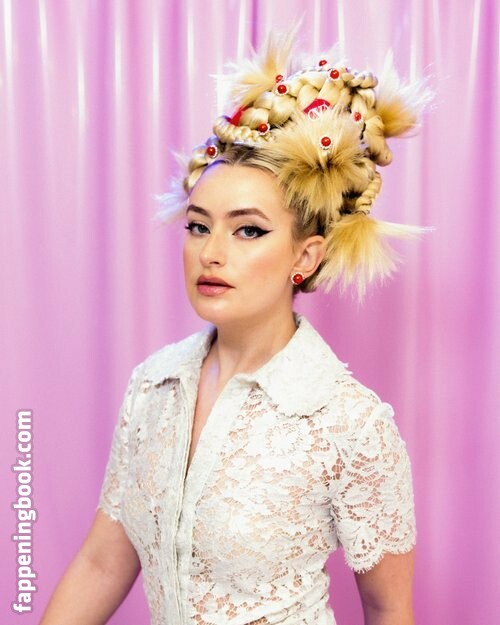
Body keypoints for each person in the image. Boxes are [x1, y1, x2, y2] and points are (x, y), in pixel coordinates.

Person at [39, 33, 432, 625]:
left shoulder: (351, 425)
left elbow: (388, 610)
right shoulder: (152, 387)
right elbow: (101, 563)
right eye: (199, 226)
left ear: (305, 256)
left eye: (248, 230)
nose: (211, 253)